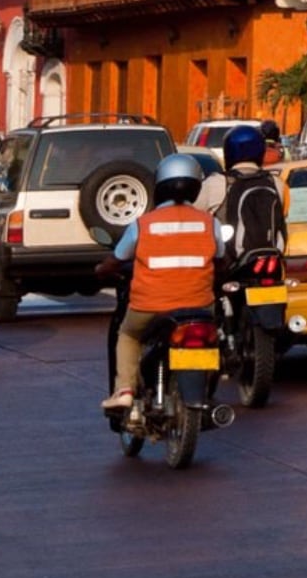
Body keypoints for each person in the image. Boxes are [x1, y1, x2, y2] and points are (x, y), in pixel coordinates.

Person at [95, 154, 223, 410]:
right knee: (212, 337)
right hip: (199, 306)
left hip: (148, 306)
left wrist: (101, 269)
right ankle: (205, 386)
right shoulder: (211, 223)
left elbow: (117, 259)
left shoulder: (143, 224)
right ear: (195, 187)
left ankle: (125, 389)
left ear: (159, 186)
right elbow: (221, 260)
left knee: (128, 335)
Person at [193, 125, 287, 264]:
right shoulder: (276, 183)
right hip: (270, 263)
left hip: (229, 266)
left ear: (229, 151)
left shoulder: (216, 183)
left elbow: (192, 215)